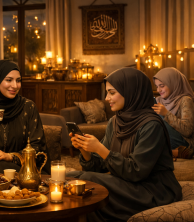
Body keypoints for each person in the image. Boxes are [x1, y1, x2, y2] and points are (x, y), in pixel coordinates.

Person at [66, 67, 182, 222]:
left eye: (112, 92)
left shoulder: (152, 125)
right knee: (67, 177)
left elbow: (136, 172)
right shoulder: (115, 122)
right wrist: (85, 149)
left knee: (88, 181)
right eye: (107, 92)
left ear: (131, 92)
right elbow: (98, 166)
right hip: (126, 182)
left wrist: (99, 148)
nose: (107, 98)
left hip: (153, 189)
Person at [153, 67, 194, 158]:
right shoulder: (159, 100)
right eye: (157, 86)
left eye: (162, 85)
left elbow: (187, 131)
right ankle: (174, 153)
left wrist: (166, 114)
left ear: (173, 83)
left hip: (184, 141)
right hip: (166, 139)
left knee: (157, 123)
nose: (158, 90)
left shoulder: (185, 100)